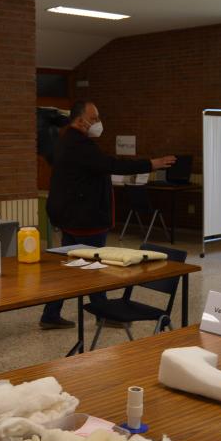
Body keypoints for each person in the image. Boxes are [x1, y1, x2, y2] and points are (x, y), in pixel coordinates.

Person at [41, 101, 176, 329]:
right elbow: (112, 165)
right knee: (95, 269)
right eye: (94, 118)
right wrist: (150, 164)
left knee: (70, 269)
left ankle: (51, 314)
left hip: (72, 219)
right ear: (80, 119)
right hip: (86, 220)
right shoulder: (79, 145)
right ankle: (105, 314)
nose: (97, 123)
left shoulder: (66, 141)